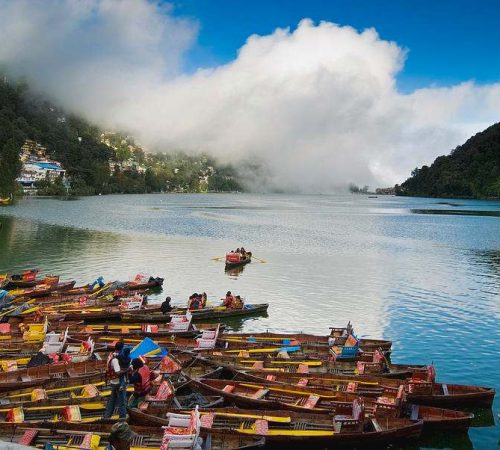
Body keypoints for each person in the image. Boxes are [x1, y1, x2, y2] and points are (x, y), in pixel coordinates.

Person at [104, 342, 128, 419]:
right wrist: (128, 369)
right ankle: (122, 418)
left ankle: (107, 417)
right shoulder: (115, 360)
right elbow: (118, 372)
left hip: (113, 382)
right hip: (118, 382)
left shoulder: (110, 356)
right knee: (122, 402)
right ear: (121, 349)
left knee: (112, 400)